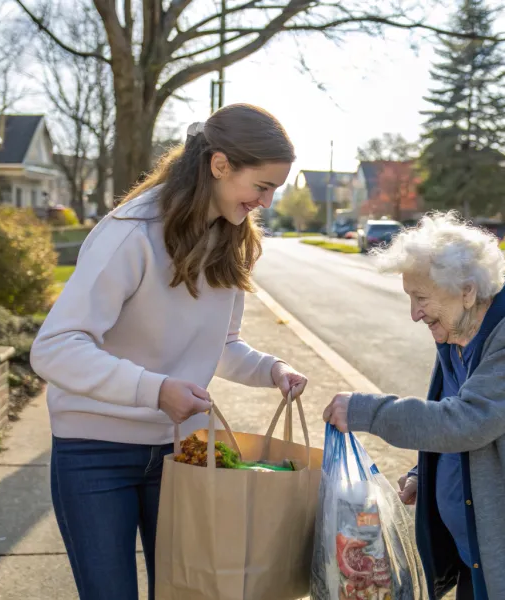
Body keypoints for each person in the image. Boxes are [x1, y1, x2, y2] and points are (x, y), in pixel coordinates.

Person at [30, 104, 308, 600]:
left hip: (184, 455)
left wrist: (272, 370)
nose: (265, 201)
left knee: (186, 594)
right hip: (95, 454)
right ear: (220, 166)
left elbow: (220, 347)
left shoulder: (231, 240)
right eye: (262, 186)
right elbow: (55, 348)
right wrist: (154, 390)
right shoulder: (130, 233)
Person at [323, 213, 505, 600]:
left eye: (421, 298)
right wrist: (423, 471)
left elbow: (467, 421)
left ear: (467, 291)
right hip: (484, 560)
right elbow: (464, 414)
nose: (414, 313)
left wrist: (364, 410)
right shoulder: (459, 333)